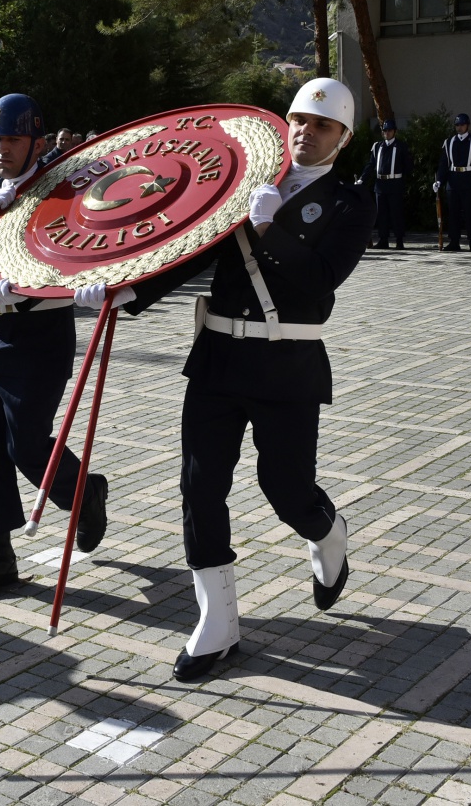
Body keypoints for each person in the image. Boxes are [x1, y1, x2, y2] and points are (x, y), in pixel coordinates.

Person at [81, 77, 373, 682]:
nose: (305, 131)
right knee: (199, 485)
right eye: (298, 120)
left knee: (285, 490)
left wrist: (273, 230)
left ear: (342, 137)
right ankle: (217, 624)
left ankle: (330, 532)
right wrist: (128, 291)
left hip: (287, 364)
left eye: (321, 125)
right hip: (217, 356)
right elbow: (192, 244)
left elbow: (318, 279)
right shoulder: (251, 181)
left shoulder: (351, 201)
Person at [0, 93, 108, 603]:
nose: (1, 150)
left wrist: (33, 290)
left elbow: (76, 257)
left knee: (27, 445)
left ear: (36, 140)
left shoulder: (62, 197)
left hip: (39, 336)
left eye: (11, 140)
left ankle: (84, 495)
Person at [434, 113, 471, 252]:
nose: (459, 127)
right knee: (453, 213)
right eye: (457, 125)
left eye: (462, 124)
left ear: (468, 125)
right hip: (453, 180)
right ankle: (454, 241)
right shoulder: (449, 142)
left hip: (469, 179)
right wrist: (439, 180)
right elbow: (444, 164)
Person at [359, 119, 410, 249]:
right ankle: (383, 240)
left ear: (395, 131)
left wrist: (403, 181)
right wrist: (362, 179)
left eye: (390, 130)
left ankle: (399, 240)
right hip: (380, 184)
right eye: (385, 130)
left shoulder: (401, 146)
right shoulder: (377, 146)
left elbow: (408, 166)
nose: (387, 133)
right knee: (382, 214)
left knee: (396, 213)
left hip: (395, 183)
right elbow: (371, 165)